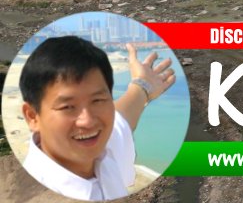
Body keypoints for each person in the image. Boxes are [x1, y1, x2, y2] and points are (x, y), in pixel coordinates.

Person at [19, 36, 177, 201]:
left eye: (97, 100)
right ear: (32, 117)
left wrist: (143, 85)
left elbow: (121, 119)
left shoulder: (102, 151)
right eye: (67, 107)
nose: (87, 121)